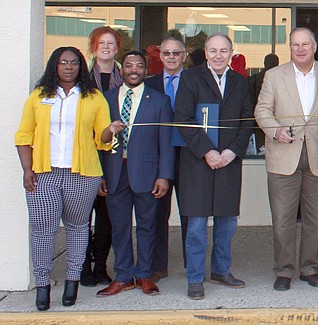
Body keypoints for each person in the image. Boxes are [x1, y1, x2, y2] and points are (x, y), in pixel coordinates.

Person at [14, 47, 117, 311]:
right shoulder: (39, 96)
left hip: (82, 175)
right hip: (44, 174)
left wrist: (110, 130)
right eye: (63, 62)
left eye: (74, 63)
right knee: (42, 231)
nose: (68, 67)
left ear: (81, 67)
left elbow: (102, 141)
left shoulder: (93, 98)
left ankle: (73, 281)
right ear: (54, 66)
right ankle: (42, 285)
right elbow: (24, 134)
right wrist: (27, 169)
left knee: (77, 227)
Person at [254, 28, 318, 292]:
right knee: (282, 219)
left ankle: (310, 268)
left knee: (316, 219)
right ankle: (284, 270)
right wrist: (275, 129)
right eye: (295, 45)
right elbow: (262, 110)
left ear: (314, 46)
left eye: (305, 44)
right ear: (289, 48)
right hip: (283, 155)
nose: (300, 49)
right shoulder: (274, 75)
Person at [173, 33, 254, 301]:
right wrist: (207, 151)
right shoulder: (190, 78)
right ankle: (195, 278)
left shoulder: (240, 82)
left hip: (229, 162)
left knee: (227, 222)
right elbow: (183, 119)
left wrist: (232, 151)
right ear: (205, 53)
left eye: (223, 50)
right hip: (198, 162)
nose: (218, 55)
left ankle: (221, 270)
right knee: (196, 224)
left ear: (231, 53)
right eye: (213, 50)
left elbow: (246, 120)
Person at [97, 51, 174, 297]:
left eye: (138, 66)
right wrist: (99, 175)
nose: (133, 70)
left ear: (145, 70)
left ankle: (143, 275)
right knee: (119, 227)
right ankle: (122, 276)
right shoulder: (106, 99)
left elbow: (166, 141)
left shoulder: (160, 100)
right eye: (128, 65)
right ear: (122, 70)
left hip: (149, 173)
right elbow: (97, 139)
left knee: (147, 226)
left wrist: (164, 175)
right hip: (114, 171)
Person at [81, 26, 123, 287]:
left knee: (107, 217)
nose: (106, 47)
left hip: (114, 157)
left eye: (111, 43)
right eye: (101, 43)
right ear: (93, 47)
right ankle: (82, 265)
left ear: (118, 48)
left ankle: (101, 265)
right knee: (82, 216)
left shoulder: (126, 78)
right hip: (84, 155)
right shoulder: (81, 78)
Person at [144, 37, 188, 281]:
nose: (171, 57)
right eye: (167, 53)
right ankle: (157, 265)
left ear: (184, 55)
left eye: (176, 53)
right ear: (160, 56)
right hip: (158, 156)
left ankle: (192, 265)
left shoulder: (195, 81)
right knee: (157, 212)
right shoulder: (149, 84)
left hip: (187, 153)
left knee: (190, 212)